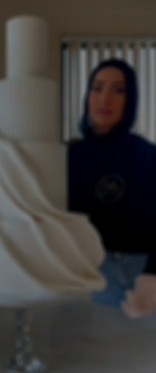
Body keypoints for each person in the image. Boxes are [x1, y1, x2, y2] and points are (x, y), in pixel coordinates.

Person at [68, 58, 156, 318]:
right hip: (89, 275)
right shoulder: (69, 156)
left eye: (118, 90)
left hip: (142, 273)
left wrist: (152, 276)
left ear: (130, 100)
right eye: (97, 88)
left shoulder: (146, 154)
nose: (105, 99)